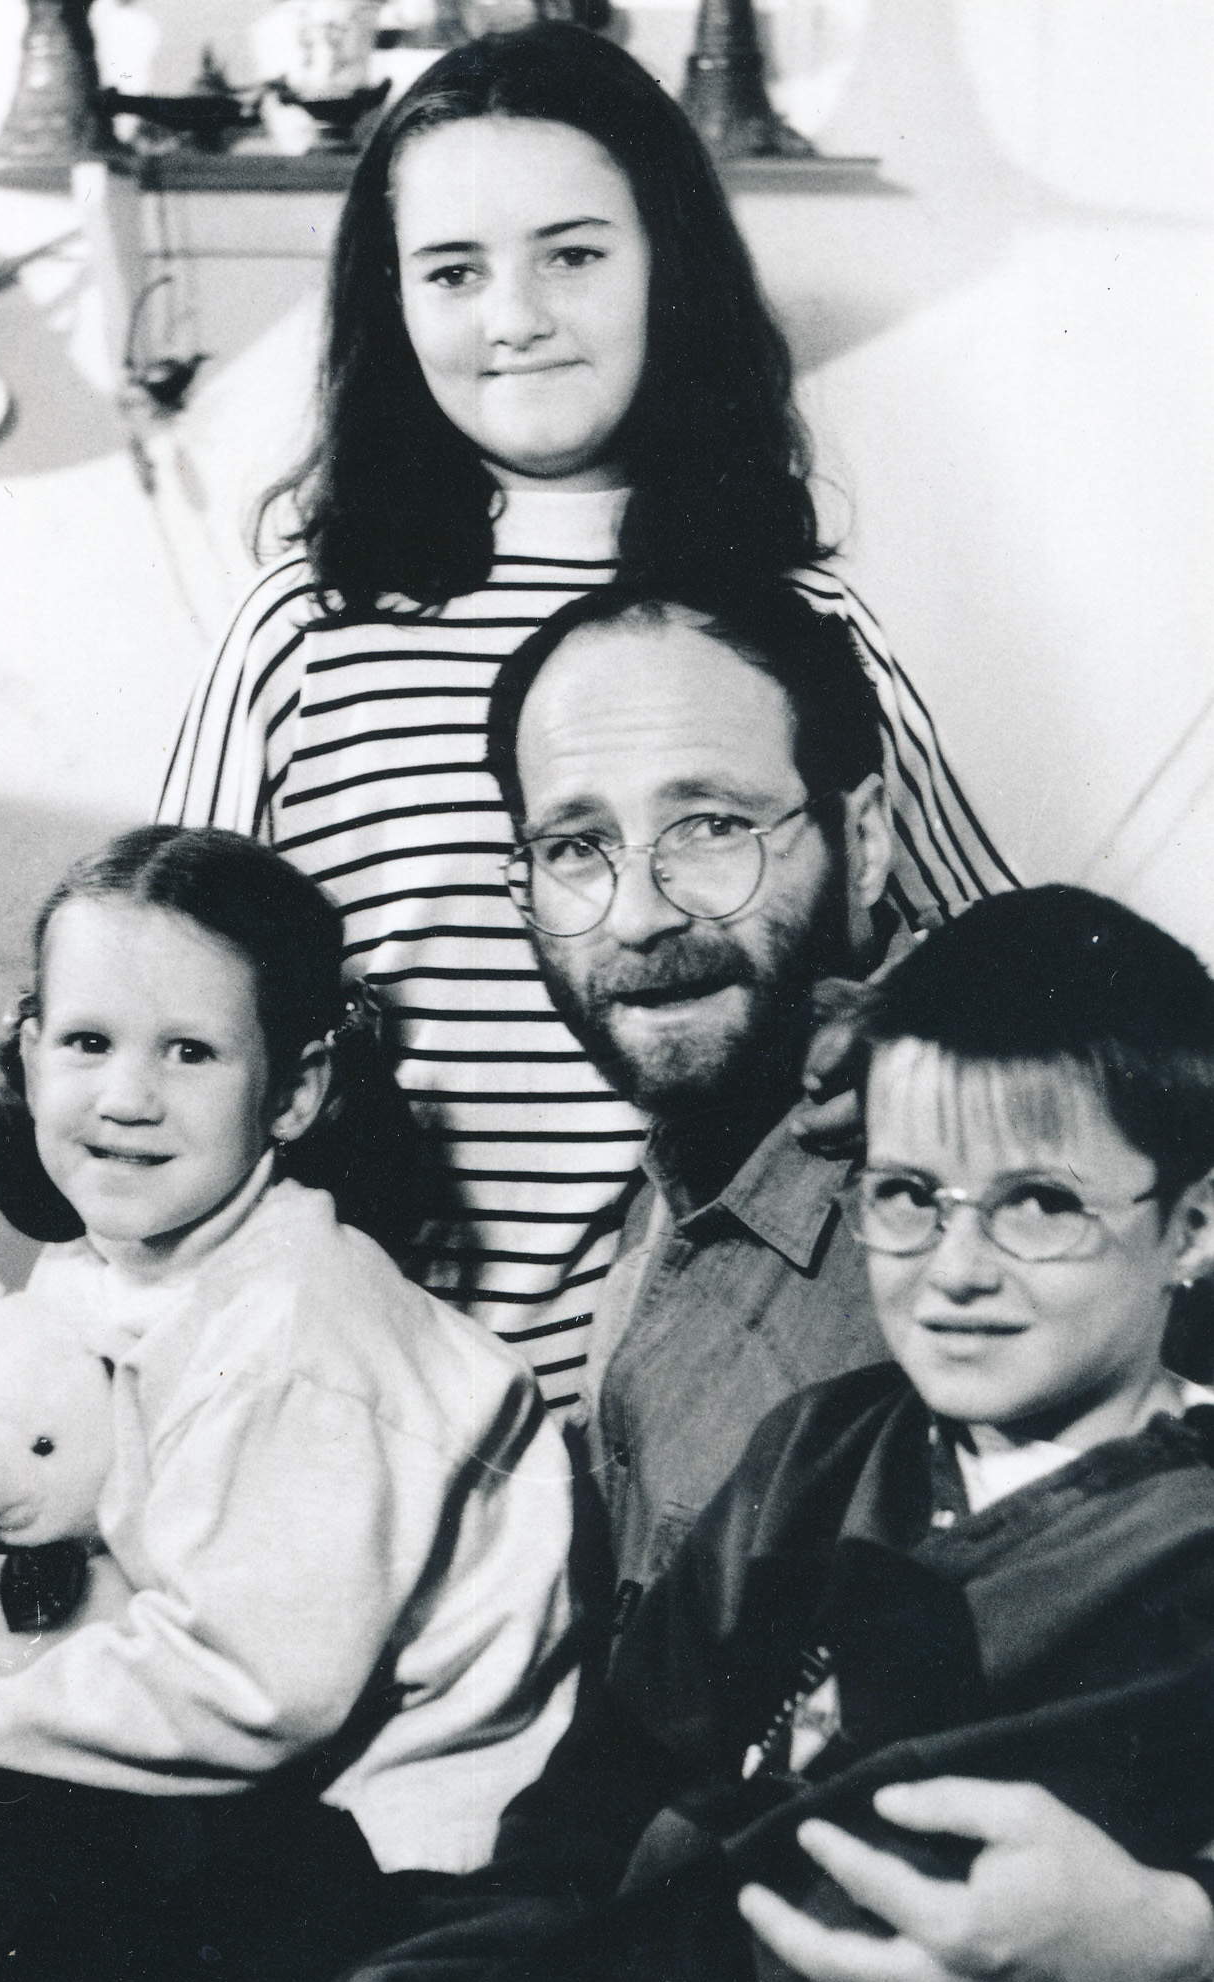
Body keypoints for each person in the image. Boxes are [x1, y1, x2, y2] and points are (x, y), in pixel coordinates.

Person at [158, 22, 1016, 1411]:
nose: (515, 316)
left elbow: (1014, 983)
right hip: (364, 1407)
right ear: (389, 302)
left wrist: (907, 1054)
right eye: (453, 270)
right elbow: (160, 1005)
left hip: (728, 1406)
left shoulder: (799, 624)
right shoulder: (302, 634)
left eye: (571, 255)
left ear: (668, 266)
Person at [307, 883, 1214, 1982]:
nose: (956, 1269)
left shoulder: (1181, 1544)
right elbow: (588, 1816)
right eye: (908, 1194)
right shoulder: (816, 1449)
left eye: (1040, 1202)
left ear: (1192, 1228)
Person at [0, 824, 575, 1982]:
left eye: (189, 1050)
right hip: (247, 1787)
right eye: (88, 1041)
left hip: (391, 1860)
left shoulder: (301, 1327)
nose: (127, 1095)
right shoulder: (105, 1267)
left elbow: (248, 1693)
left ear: (294, 1089)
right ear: (30, 1051)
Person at [482, 582, 902, 1602]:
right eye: (575, 846)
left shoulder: (950, 1227)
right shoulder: (690, 1153)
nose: (636, 917)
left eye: (710, 825)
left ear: (865, 841)